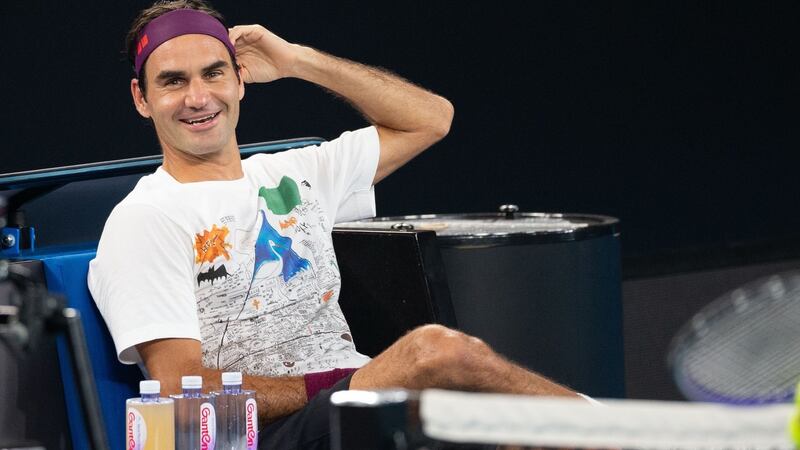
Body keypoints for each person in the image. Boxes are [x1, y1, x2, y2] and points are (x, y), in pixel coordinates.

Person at [88, 1, 580, 448]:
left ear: (239, 80)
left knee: (512, 432)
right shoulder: (145, 219)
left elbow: (432, 118)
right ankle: (602, 428)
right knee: (437, 353)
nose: (198, 97)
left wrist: (297, 61)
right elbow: (179, 391)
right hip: (259, 434)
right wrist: (340, 385)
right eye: (173, 81)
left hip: (349, 409)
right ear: (141, 98)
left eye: (214, 73)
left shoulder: (297, 172)